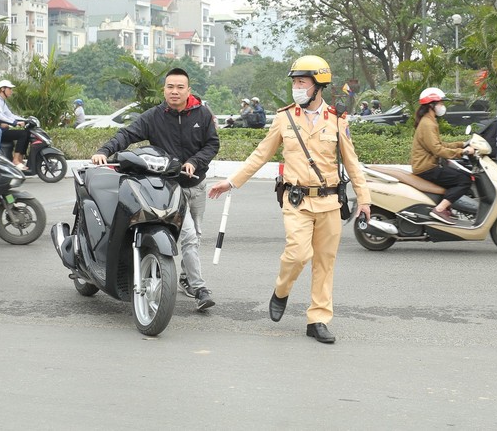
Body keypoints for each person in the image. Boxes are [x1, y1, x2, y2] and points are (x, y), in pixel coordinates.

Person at [208, 55, 372, 345]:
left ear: (318, 85)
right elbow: (261, 154)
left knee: (325, 263)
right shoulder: (284, 118)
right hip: (296, 201)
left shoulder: (336, 120)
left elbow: (353, 162)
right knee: (297, 254)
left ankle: (318, 319)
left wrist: (365, 199)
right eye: (294, 82)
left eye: (302, 82)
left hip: (330, 202)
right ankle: (281, 290)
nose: (296, 87)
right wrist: (232, 181)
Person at [91, 68, 219, 312]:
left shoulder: (202, 114)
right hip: (169, 187)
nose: (174, 91)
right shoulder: (153, 116)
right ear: (164, 89)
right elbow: (127, 134)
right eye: (170, 86)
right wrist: (104, 151)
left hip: (196, 185)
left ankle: (185, 277)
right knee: (189, 237)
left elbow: (212, 144)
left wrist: (194, 161)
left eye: (180, 87)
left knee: (196, 235)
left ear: (188, 90)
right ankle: (199, 287)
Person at [410, 87, 475, 225]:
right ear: (431, 105)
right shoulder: (428, 124)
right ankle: (439, 209)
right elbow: (438, 150)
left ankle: (446, 207)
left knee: (455, 175)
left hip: (428, 166)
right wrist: (462, 152)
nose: (442, 106)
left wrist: (462, 144)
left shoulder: (429, 121)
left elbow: (439, 144)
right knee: (465, 179)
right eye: (440, 103)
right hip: (426, 168)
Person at [0, 79, 31, 170]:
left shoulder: (2, 101)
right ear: (2, 89)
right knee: (22, 134)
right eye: (9, 89)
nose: (11, 91)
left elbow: (10, 115)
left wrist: (26, 119)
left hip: (3, 129)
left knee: (26, 133)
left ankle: (20, 159)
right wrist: (15, 123)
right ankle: (15, 161)